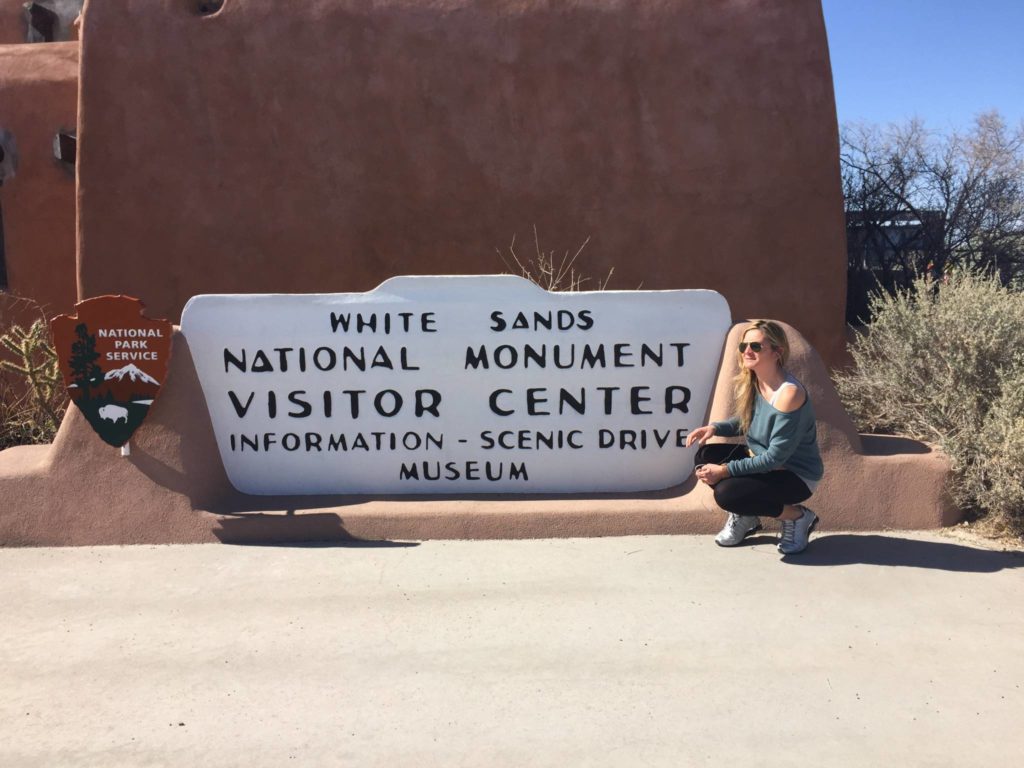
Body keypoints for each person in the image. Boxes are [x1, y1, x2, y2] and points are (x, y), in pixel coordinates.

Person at [685, 320, 824, 554]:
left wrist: (725, 470)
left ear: (777, 351)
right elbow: (748, 421)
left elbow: (774, 459)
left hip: (794, 475)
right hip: (764, 463)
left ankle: (797, 516)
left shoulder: (789, 394)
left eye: (756, 346)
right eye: (743, 346)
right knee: (705, 455)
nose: (747, 351)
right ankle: (747, 517)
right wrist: (715, 428)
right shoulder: (757, 382)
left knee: (727, 493)